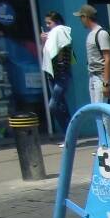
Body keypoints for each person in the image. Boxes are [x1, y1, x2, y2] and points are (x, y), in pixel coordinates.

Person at [73, 4, 110, 146]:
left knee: (100, 111)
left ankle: (106, 145)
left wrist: (106, 83)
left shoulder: (101, 34)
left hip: (101, 77)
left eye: (81, 17)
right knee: (100, 109)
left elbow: (107, 58)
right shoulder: (91, 34)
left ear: (86, 17)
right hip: (93, 76)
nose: (80, 20)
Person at [40, 11, 72, 145]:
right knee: (61, 106)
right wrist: (44, 41)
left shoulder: (60, 31)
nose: (47, 26)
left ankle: (70, 134)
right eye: (46, 23)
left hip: (61, 75)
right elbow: (46, 53)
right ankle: (69, 136)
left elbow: (62, 50)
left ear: (57, 22)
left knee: (53, 105)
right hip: (51, 75)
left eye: (49, 23)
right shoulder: (52, 35)